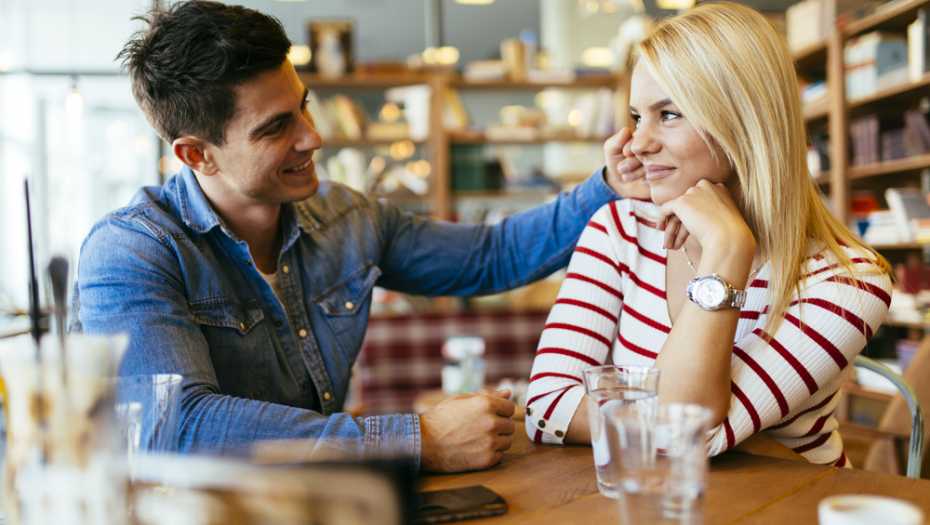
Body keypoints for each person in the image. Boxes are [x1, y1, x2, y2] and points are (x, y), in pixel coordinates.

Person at [71, 0, 649, 473]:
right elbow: (176, 429)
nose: (313, 137)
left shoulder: (347, 218)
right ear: (197, 154)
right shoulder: (130, 252)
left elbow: (490, 257)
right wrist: (416, 439)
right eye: (276, 128)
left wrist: (607, 184)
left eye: (303, 107)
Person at [525, 2, 893, 467]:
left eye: (669, 114)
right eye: (638, 117)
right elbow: (546, 410)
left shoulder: (849, 283)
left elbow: (686, 435)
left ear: (744, 121)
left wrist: (726, 250)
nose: (637, 142)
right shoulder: (620, 230)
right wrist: (657, 423)